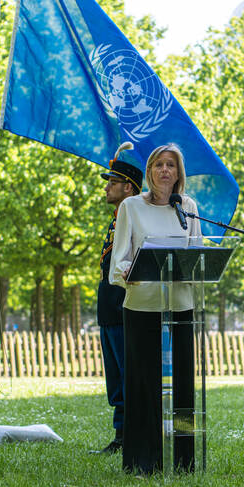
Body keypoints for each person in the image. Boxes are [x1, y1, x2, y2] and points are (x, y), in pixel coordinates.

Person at [109, 143, 202, 475]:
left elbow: (196, 255)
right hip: (142, 305)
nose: (165, 170)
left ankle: (185, 460)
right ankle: (141, 460)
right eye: (159, 165)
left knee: (183, 387)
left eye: (171, 166)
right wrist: (126, 274)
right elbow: (119, 257)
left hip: (180, 306)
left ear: (179, 174)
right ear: (150, 171)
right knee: (143, 383)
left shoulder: (188, 207)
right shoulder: (131, 207)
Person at [91, 143, 144, 455]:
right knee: (116, 377)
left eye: (112, 182)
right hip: (108, 308)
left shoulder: (135, 220)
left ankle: (130, 434)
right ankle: (121, 434)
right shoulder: (116, 219)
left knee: (128, 374)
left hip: (125, 307)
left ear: (128, 188)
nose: (107, 187)